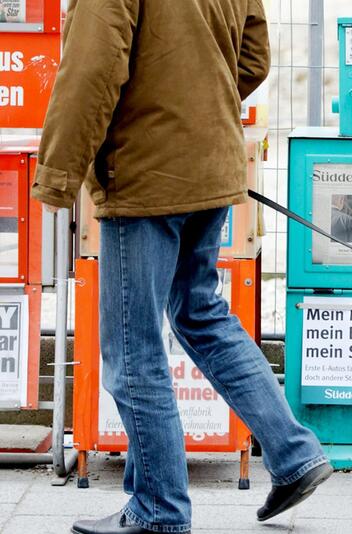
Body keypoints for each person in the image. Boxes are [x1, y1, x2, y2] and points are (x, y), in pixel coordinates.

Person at [30, 2, 331, 533]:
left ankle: (157, 509)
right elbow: (255, 56)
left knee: (133, 345)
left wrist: (57, 174)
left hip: (145, 173)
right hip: (210, 164)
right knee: (201, 313)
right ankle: (293, 452)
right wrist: (197, 111)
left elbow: (92, 66)